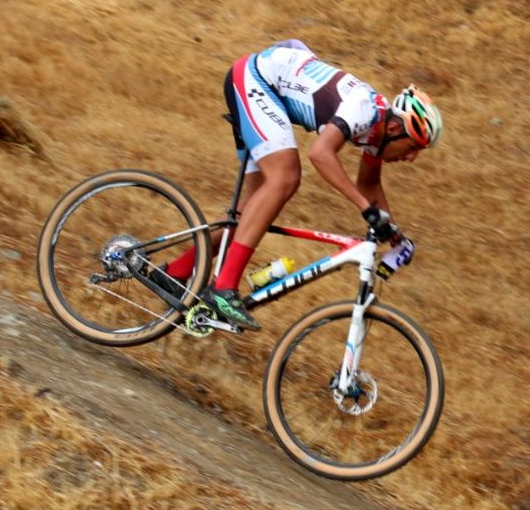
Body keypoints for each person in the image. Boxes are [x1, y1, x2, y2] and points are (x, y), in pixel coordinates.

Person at [153, 39, 443, 331]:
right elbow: (320, 154)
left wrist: (393, 233)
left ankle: (174, 273)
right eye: (413, 146)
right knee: (285, 178)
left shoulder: (377, 133)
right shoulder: (365, 109)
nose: (411, 158)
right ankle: (224, 288)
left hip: (263, 87)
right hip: (256, 80)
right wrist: (364, 208)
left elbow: (368, 184)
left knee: (251, 212)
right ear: (394, 128)